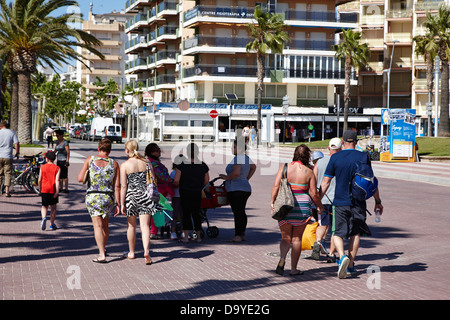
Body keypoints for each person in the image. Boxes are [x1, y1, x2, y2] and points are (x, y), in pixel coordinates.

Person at [320, 130, 383, 279]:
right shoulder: (363, 156)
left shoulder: (335, 158)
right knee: (355, 233)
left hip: (340, 202)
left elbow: (326, 182)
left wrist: (317, 200)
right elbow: (370, 180)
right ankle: (351, 265)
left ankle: (342, 257)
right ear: (356, 141)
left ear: (343, 141)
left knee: (337, 233)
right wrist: (378, 201)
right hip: (358, 202)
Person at [270, 144, 322, 276]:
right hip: (302, 207)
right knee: (297, 239)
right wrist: (319, 206)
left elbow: (276, 186)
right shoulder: (309, 171)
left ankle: (282, 259)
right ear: (307, 156)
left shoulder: (285, 167)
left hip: (285, 205)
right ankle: (293, 269)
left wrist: (272, 201)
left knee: (285, 238)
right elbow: (313, 193)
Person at [77, 138, 120, 263]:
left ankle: (101, 254)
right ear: (110, 150)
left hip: (93, 196)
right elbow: (117, 186)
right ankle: (104, 248)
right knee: (105, 225)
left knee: (97, 226)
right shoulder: (114, 164)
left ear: (98, 148)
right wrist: (118, 203)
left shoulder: (90, 160)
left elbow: (80, 179)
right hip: (108, 197)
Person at [120, 140, 161, 265]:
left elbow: (123, 187)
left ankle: (131, 252)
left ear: (127, 150)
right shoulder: (147, 162)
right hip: (145, 196)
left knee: (131, 226)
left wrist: (121, 203)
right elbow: (154, 179)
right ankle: (146, 252)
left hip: (131, 196)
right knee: (145, 226)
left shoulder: (125, 165)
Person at [219, 138, 256, 242]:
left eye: (234, 147)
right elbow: (254, 167)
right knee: (241, 211)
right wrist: (246, 178)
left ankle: (238, 235)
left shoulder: (237, 158)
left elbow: (236, 172)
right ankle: (242, 234)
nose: (232, 148)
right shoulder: (246, 158)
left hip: (236, 188)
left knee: (237, 212)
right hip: (245, 188)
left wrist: (226, 177)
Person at [173, 143, 210, 243]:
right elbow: (207, 181)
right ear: (198, 152)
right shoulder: (203, 165)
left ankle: (185, 237)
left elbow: (176, 180)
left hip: (185, 192)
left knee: (186, 214)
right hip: (197, 192)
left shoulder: (181, 165)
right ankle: (198, 237)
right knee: (196, 214)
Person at [312, 138, 342, 262]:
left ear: (329, 148)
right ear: (340, 149)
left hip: (322, 198)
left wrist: (315, 197)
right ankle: (331, 254)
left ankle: (318, 242)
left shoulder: (319, 162)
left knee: (322, 224)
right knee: (335, 228)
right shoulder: (341, 161)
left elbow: (313, 179)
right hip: (337, 199)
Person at [145, 142, 174, 239]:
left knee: (149, 210)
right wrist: (172, 180)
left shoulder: (146, 161)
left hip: (149, 189)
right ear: (152, 152)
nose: (159, 152)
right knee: (157, 211)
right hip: (158, 190)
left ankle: (149, 230)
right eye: (157, 150)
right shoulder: (153, 163)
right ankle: (153, 232)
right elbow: (162, 176)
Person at [38, 151, 60, 230]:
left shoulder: (42, 167)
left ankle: (44, 218)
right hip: (53, 189)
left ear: (46, 159)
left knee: (44, 206)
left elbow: (39, 179)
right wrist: (57, 191)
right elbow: (57, 180)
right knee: (53, 208)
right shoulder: (57, 168)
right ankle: (52, 223)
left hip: (44, 189)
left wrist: (40, 188)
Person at [0, 120, 19, 197]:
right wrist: (17, 152)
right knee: (7, 173)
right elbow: (16, 143)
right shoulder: (12, 132)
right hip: (8, 156)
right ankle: (7, 191)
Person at [169, 155, 186, 240]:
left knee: (183, 215)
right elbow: (173, 184)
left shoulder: (185, 172)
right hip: (176, 195)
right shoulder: (174, 173)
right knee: (175, 215)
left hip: (183, 195)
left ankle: (183, 232)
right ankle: (173, 231)